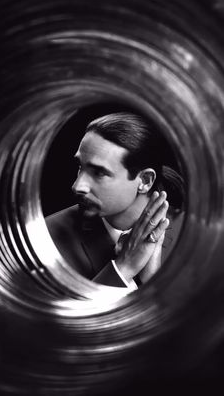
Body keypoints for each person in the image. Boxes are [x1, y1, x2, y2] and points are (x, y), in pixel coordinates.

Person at [46, 112, 184, 290]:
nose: (77, 186)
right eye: (81, 167)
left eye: (99, 173)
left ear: (145, 180)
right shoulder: (47, 237)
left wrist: (152, 284)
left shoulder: (197, 235)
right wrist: (123, 268)